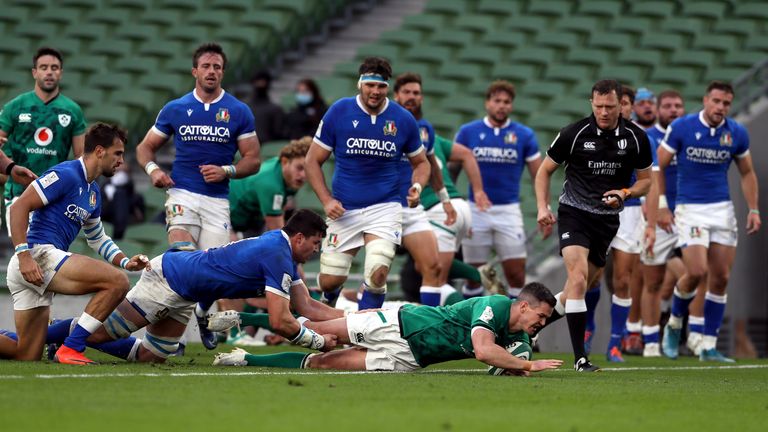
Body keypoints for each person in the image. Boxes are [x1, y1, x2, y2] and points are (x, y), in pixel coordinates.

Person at [44, 210, 345, 363]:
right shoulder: (277, 254)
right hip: (168, 280)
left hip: (185, 290)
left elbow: (307, 306)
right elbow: (281, 321)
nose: (316, 250)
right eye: (316, 244)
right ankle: (43, 335)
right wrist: (317, 343)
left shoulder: (282, 252)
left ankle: (61, 333)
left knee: (153, 356)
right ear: (300, 238)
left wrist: (350, 322)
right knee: (95, 334)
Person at [136, 42, 261, 349]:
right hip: (182, 195)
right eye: (206, 66)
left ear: (223, 73)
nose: (211, 71)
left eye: (217, 67)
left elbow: (253, 159)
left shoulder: (238, 111)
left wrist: (227, 171)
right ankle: (171, 339)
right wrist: (153, 170)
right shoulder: (176, 108)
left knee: (213, 274)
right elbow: (144, 148)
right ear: (195, 71)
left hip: (217, 201)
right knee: (182, 257)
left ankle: (204, 314)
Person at [6, 123, 150, 364]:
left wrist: (126, 261)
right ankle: (71, 346)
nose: (122, 161)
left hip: (38, 267)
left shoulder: (93, 191)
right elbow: (19, 206)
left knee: (26, 354)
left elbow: (98, 238)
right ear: (100, 151)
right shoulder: (66, 174)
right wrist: (24, 256)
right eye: (118, 153)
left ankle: (65, 345)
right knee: (117, 282)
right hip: (37, 255)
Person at [535, 79, 653, 372]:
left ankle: (528, 326)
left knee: (580, 287)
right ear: (591, 104)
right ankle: (580, 358)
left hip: (607, 221)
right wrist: (542, 207)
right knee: (577, 278)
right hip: (574, 213)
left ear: (620, 105)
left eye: (609, 106)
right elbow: (543, 171)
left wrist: (624, 193)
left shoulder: (636, 138)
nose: (603, 111)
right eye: (598, 106)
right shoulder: (574, 134)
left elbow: (647, 181)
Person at [212, 282, 563, 375]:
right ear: (523, 306)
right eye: (541, 316)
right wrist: (528, 365)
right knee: (319, 333)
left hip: (409, 359)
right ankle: (243, 318)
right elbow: (486, 351)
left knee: (322, 364)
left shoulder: (519, 335)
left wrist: (518, 367)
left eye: (546, 321)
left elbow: (504, 364)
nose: (542, 324)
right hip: (398, 324)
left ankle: (245, 358)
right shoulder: (496, 305)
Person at [306, 56, 429, 310]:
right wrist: (326, 200)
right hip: (344, 208)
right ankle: (329, 300)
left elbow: (422, 163)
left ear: (388, 88)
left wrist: (417, 187)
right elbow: (311, 161)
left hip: (385, 208)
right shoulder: (339, 111)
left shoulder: (403, 119)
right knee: (330, 280)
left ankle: (364, 333)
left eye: (381, 86)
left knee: (377, 273)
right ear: (360, 84)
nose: (375, 91)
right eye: (370, 85)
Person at [659, 81, 761, 362]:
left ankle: (708, 345)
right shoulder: (682, 127)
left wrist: (753, 209)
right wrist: (661, 205)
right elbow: (658, 166)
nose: (720, 107)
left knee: (721, 278)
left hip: (722, 210)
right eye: (716, 101)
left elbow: (748, 172)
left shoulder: (736, 133)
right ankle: (675, 323)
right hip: (690, 209)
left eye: (726, 103)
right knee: (696, 271)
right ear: (706, 100)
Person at [457, 80, 547, 301]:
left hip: (508, 211)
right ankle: (471, 325)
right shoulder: (468, 132)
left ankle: (513, 325)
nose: (502, 106)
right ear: (487, 103)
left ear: (512, 106)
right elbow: (451, 171)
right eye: (497, 101)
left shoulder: (524, 135)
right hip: (475, 210)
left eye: (507, 102)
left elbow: (540, 174)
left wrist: (543, 208)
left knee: (516, 273)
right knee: (474, 275)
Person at [0, 46, 86, 235]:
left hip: (53, 194)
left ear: (61, 73)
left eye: (54, 68)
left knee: (42, 254)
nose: (49, 72)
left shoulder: (72, 110)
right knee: (27, 249)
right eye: (44, 67)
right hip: (18, 192)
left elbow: (81, 158)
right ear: (34, 72)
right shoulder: (15, 106)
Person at [391, 72, 459, 306]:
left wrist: (445, 200)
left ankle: (426, 328)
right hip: (380, 207)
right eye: (407, 92)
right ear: (396, 95)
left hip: (411, 206)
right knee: (376, 272)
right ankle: (360, 332)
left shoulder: (425, 129)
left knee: (432, 266)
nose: (412, 97)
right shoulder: (383, 124)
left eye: (416, 93)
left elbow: (432, 168)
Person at [604, 85, 649, 362]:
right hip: (596, 209)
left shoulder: (639, 138)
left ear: (630, 106)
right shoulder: (593, 133)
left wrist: (652, 223)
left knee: (623, 279)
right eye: (614, 103)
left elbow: (649, 182)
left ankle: (614, 344)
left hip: (630, 212)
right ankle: (587, 332)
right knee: (591, 278)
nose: (619, 107)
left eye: (624, 103)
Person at [640, 89, 686, 357]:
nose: (674, 110)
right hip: (660, 217)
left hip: (690, 215)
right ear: (658, 110)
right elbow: (649, 178)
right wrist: (659, 207)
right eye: (668, 106)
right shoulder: (648, 138)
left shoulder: (688, 134)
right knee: (654, 282)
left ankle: (687, 334)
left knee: (695, 274)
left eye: (678, 106)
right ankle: (650, 341)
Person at [229, 136, 310, 238]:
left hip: (253, 221)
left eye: (308, 169)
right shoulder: (271, 185)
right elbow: (278, 233)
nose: (303, 175)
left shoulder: (287, 174)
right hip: (227, 219)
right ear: (285, 162)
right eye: (299, 168)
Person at [100, 161, 146, 240]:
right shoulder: (101, 191)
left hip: (125, 230)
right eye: (117, 171)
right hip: (103, 228)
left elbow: (139, 218)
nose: (121, 175)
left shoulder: (136, 197)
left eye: (124, 172)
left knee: (120, 194)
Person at [249, 70, 284, 143]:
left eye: (263, 82)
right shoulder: (243, 108)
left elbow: (279, 133)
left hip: (268, 149)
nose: (260, 85)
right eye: (258, 82)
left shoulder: (275, 110)